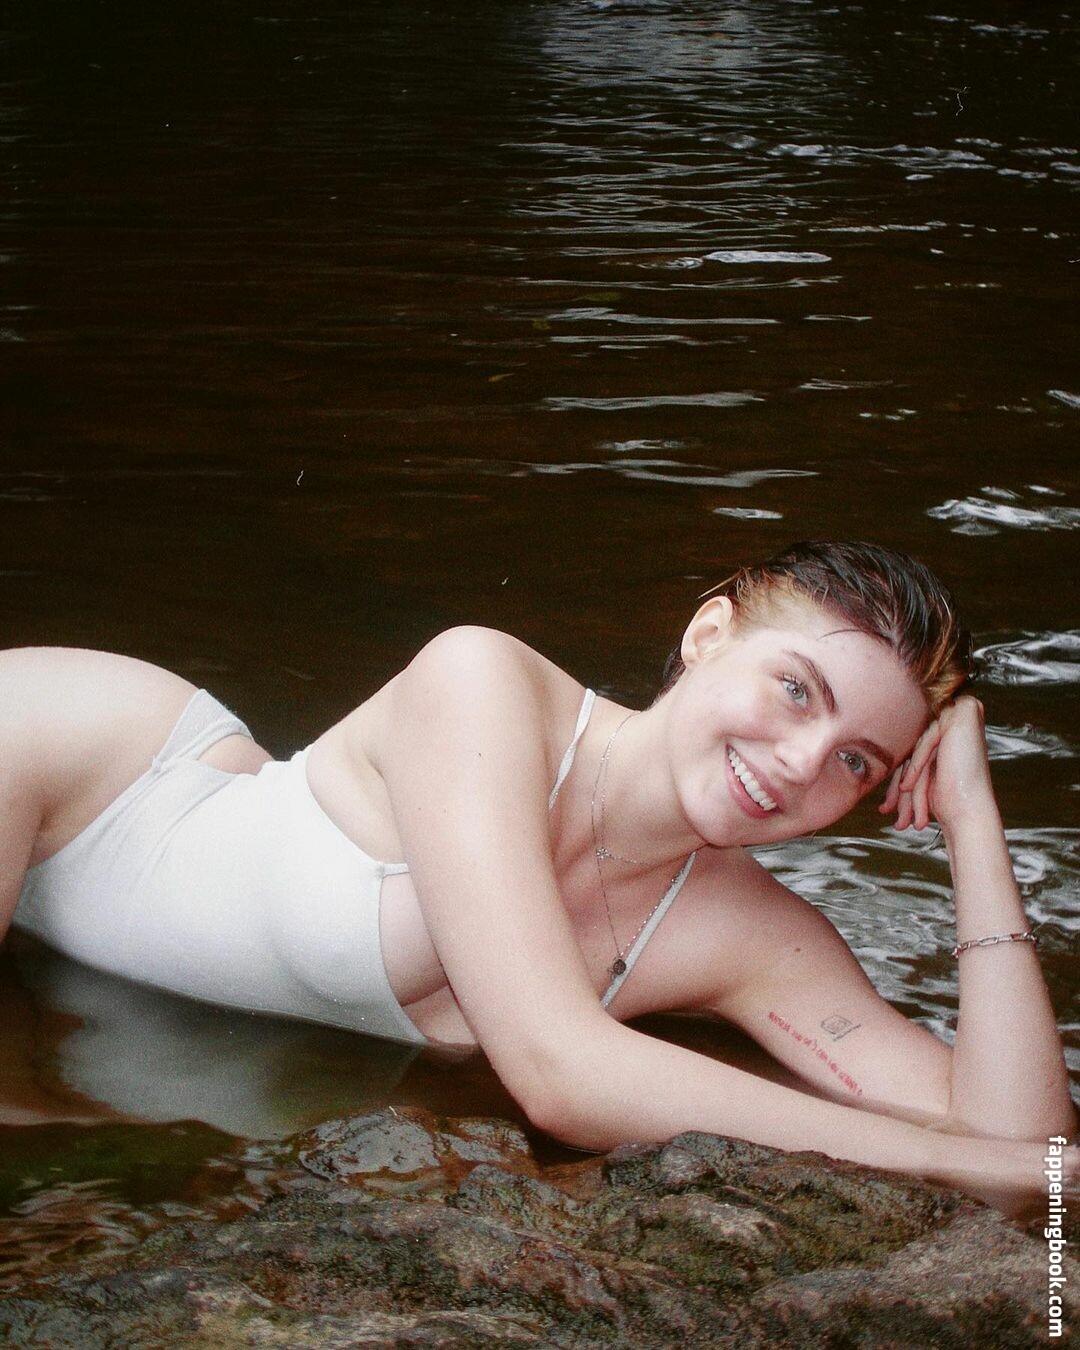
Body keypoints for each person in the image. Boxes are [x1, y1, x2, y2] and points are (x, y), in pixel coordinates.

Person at [2, 541, 1076, 1210]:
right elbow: (560, 1074)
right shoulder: (484, 682)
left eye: (858, 763)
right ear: (709, 634)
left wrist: (973, 824)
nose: (803, 762)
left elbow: (1031, 1148)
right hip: (84, 770)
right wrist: (956, 1165)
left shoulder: (756, 938)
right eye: (797, 690)